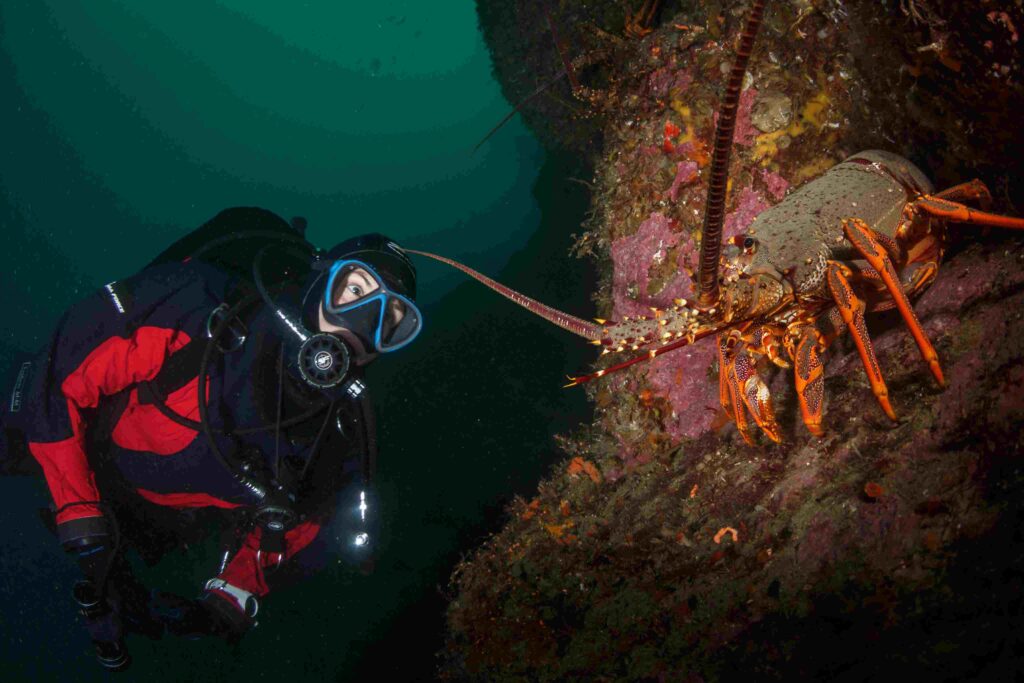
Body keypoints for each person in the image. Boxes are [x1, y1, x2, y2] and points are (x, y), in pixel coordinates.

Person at [0, 207, 422, 669]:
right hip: (75, 448)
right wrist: (78, 509)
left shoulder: (339, 436)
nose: (360, 322)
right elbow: (62, 371)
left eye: (390, 319)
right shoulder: (196, 305)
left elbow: (306, 520)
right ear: (321, 279)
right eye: (355, 291)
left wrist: (231, 594)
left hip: (159, 523)